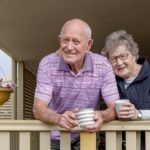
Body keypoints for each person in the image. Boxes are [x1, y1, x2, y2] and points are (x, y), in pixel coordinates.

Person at [33, 18, 119, 150]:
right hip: (57, 133)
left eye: (76, 41)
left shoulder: (103, 65)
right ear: (59, 40)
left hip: (87, 132)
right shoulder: (47, 64)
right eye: (65, 40)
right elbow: (38, 109)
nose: (69, 47)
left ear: (89, 44)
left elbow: (114, 108)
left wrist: (102, 115)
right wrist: (59, 118)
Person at [101, 30, 150, 150]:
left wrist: (139, 114)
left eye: (123, 56)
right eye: (113, 59)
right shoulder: (109, 81)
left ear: (134, 54)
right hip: (117, 145)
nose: (119, 63)